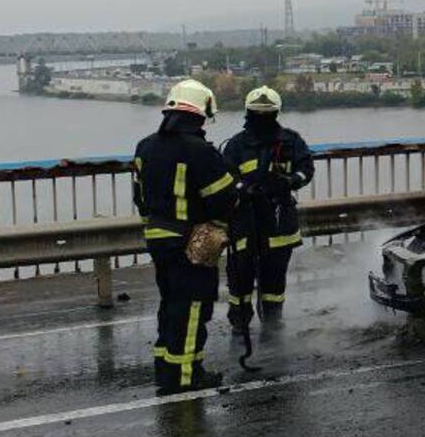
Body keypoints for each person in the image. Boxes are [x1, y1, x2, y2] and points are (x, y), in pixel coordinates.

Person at [132, 80, 236, 393]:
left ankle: (166, 371)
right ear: (201, 113)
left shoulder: (145, 146)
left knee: (170, 304)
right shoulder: (200, 151)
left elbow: (140, 197)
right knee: (192, 308)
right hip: (190, 242)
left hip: (158, 238)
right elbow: (223, 199)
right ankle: (187, 376)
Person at [221, 86, 315, 333]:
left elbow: (306, 169)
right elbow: (225, 177)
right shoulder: (236, 145)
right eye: (257, 113)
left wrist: (290, 181)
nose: (262, 118)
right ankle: (240, 322)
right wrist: (242, 188)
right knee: (240, 276)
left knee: (274, 277)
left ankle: (272, 322)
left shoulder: (290, 141)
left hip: (278, 220)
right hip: (245, 220)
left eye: (266, 113)